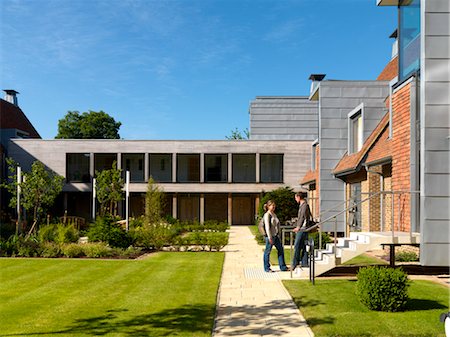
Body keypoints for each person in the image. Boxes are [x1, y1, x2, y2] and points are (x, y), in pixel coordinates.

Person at [262, 200, 288, 272]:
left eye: (274, 205)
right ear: (268, 206)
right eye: (272, 205)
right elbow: (267, 227)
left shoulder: (274, 214)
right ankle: (267, 268)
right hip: (270, 236)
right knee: (267, 252)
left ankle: (282, 266)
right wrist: (269, 237)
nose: (273, 207)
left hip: (276, 236)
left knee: (280, 250)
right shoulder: (267, 215)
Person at [291, 192, 312, 271]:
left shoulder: (304, 205)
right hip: (303, 228)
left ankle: (295, 263)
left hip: (303, 229)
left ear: (299, 197)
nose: (295, 199)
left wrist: (298, 227)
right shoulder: (303, 205)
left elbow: (302, 217)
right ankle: (304, 262)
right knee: (303, 245)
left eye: (296, 197)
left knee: (297, 246)